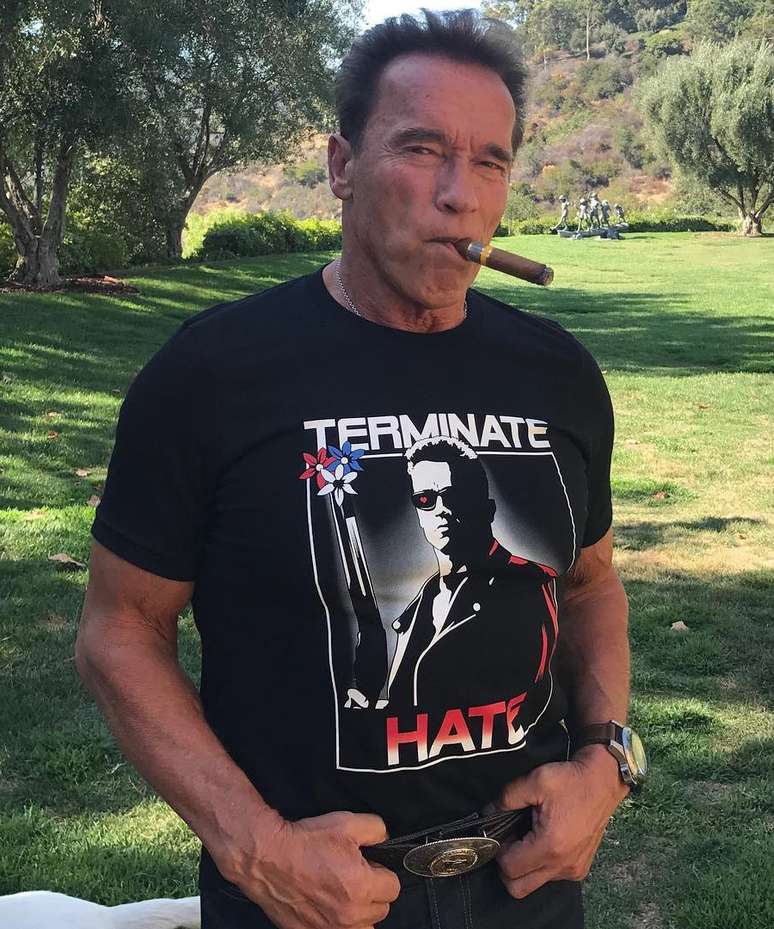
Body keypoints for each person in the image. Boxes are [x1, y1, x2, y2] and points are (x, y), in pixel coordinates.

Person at [76, 10, 642, 929]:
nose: (459, 196)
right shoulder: (212, 373)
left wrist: (605, 760)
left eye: (490, 162)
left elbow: (589, 586)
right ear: (342, 167)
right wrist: (254, 846)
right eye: (422, 150)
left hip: (527, 880)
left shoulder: (559, 374)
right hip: (303, 894)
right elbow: (120, 631)